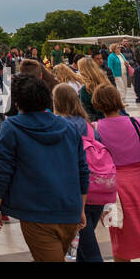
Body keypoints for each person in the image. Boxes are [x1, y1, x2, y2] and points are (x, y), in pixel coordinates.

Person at [0, 74, 89, 262]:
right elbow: (83, 170)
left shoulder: (12, 127)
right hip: (70, 209)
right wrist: (81, 207)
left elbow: (2, 170)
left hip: (37, 213)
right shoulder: (68, 127)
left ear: (17, 102)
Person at [88, 84, 140, 262]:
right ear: (118, 100)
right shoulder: (135, 123)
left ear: (97, 103)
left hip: (115, 188)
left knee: (120, 237)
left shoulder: (95, 128)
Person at [51, 86, 102, 261]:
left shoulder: (57, 125)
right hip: (97, 187)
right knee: (82, 245)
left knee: (89, 248)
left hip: (75, 190)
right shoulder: (88, 125)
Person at [76, 56, 107, 122]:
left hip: (96, 125)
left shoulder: (86, 89)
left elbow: (88, 113)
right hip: (109, 120)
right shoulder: (105, 81)